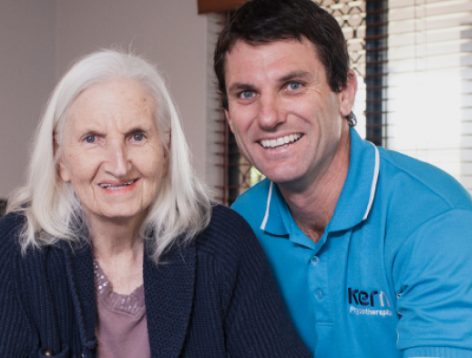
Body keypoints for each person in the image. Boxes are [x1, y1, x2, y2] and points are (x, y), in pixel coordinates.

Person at [213, 0, 472, 357]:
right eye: (246, 94)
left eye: (293, 85)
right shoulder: (239, 226)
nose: (268, 116)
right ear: (228, 115)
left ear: (345, 93)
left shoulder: (437, 222)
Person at [0, 49, 310, 357]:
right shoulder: (16, 250)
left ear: (166, 148)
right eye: (92, 138)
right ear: (60, 159)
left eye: (137, 136)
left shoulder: (223, 242)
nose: (119, 165)